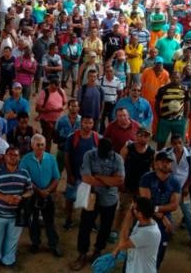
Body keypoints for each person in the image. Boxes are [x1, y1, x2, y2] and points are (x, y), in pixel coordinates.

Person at [70, 138, 124, 271]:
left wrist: (98, 176)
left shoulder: (117, 159)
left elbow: (120, 180)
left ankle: (97, 250)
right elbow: (86, 178)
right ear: (97, 148)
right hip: (92, 196)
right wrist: (109, 181)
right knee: (85, 225)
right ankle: (82, 253)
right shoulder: (89, 155)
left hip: (109, 199)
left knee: (105, 227)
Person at [0, 146, 33, 272]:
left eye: (16, 155)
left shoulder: (24, 172)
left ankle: (8, 260)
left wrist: (21, 197)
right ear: (5, 156)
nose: (13, 157)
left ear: (19, 157)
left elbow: (30, 190)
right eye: (10, 154)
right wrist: (4, 198)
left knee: (12, 240)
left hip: (17, 215)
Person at [18, 134, 62, 257]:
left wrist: (47, 191)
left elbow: (56, 177)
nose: (41, 147)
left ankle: (53, 244)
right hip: (32, 195)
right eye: (38, 145)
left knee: (50, 221)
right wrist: (38, 190)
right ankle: (35, 243)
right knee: (33, 220)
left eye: (43, 144)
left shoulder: (51, 158)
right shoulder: (25, 160)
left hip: (47, 195)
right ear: (32, 145)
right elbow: (24, 178)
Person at [139, 150, 181, 269]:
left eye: (168, 162)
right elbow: (145, 205)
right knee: (139, 247)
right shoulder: (146, 178)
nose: (166, 164)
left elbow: (174, 205)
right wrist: (162, 216)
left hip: (162, 219)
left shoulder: (175, 181)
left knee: (160, 252)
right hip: (146, 217)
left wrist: (156, 209)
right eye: (163, 162)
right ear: (156, 164)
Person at [112, 127, 154, 242]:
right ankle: (115, 230)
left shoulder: (151, 153)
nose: (143, 138)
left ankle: (134, 230)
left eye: (146, 136)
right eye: (141, 135)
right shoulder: (128, 149)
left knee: (140, 210)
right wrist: (121, 183)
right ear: (136, 136)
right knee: (123, 207)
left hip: (142, 187)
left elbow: (153, 171)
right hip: (128, 184)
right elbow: (119, 166)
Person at [164, 134, 191, 251]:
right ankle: (168, 231)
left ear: (184, 142)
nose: (178, 146)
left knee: (188, 213)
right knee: (167, 211)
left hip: (182, 189)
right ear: (171, 144)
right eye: (175, 143)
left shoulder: (190, 155)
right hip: (168, 188)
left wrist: (186, 186)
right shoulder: (166, 153)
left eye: (180, 143)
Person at [63, 116, 99, 230]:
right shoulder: (72, 137)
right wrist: (69, 175)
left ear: (93, 124)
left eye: (90, 122)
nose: (88, 125)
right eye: (85, 122)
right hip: (75, 174)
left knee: (90, 198)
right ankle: (68, 219)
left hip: (90, 176)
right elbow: (66, 156)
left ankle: (88, 221)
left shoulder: (97, 138)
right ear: (81, 123)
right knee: (70, 198)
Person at [112, 196, 161, 273]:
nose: (131, 210)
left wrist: (128, 217)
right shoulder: (143, 222)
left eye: (133, 208)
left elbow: (122, 243)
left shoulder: (148, 233)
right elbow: (130, 241)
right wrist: (117, 249)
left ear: (140, 214)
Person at [154, 70, 189, 150]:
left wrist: (185, 118)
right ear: (170, 78)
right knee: (161, 143)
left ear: (180, 78)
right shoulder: (163, 89)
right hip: (165, 121)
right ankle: (159, 158)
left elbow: (187, 104)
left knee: (178, 143)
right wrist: (160, 117)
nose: (175, 79)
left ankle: (176, 160)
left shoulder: (184, 90)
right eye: (173, 78)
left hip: (179, 121)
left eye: (177, 78)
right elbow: (157, 103)